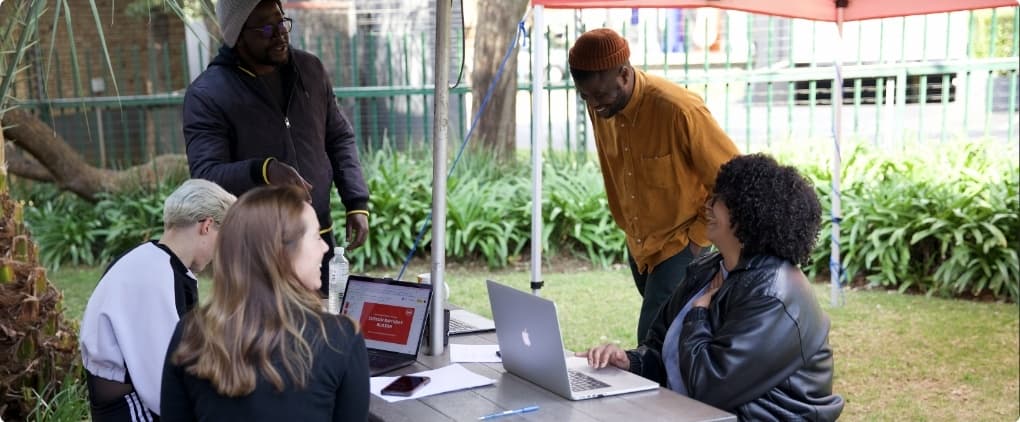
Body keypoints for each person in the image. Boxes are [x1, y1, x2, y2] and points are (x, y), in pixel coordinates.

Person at [578, 154, 844, 421]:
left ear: (748, 212)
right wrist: (630, 361)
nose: (708, 205)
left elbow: (710, 389)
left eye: (720, 200)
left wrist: (698, 315)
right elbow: (663, 350)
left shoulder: (774, 294)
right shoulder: (708, 269)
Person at [183, 0, 370, 297]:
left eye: (282, 21)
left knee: (324, 330)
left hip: (315, 239)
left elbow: (339, 138)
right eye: (267, 27)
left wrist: (356, 200)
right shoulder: (207, 94)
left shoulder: (310, 70)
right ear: (237, 34)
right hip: (255, 252)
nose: (280, 33)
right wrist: (264, 170)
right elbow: (206, 174)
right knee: (264, 337)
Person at [567, 28, 740, 341]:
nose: (594, 106)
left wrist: (696, 240)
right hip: (639, 246)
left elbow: (734, 177)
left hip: (680, 245)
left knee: (652, 342)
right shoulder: (602, 106)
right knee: (676, 340)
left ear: (623, 73)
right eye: (585, 97)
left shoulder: (678, 109)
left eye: (601, 95)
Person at [160, 185, 370, 421]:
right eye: (315, 237)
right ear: (280, 252)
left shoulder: (190, 333)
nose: (325, 247)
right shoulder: (340, 338)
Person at [79, 179, 236, 421]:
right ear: (206, 226)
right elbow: (161, 384)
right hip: (130, 409)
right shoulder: (153, 275)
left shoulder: (154, 262)